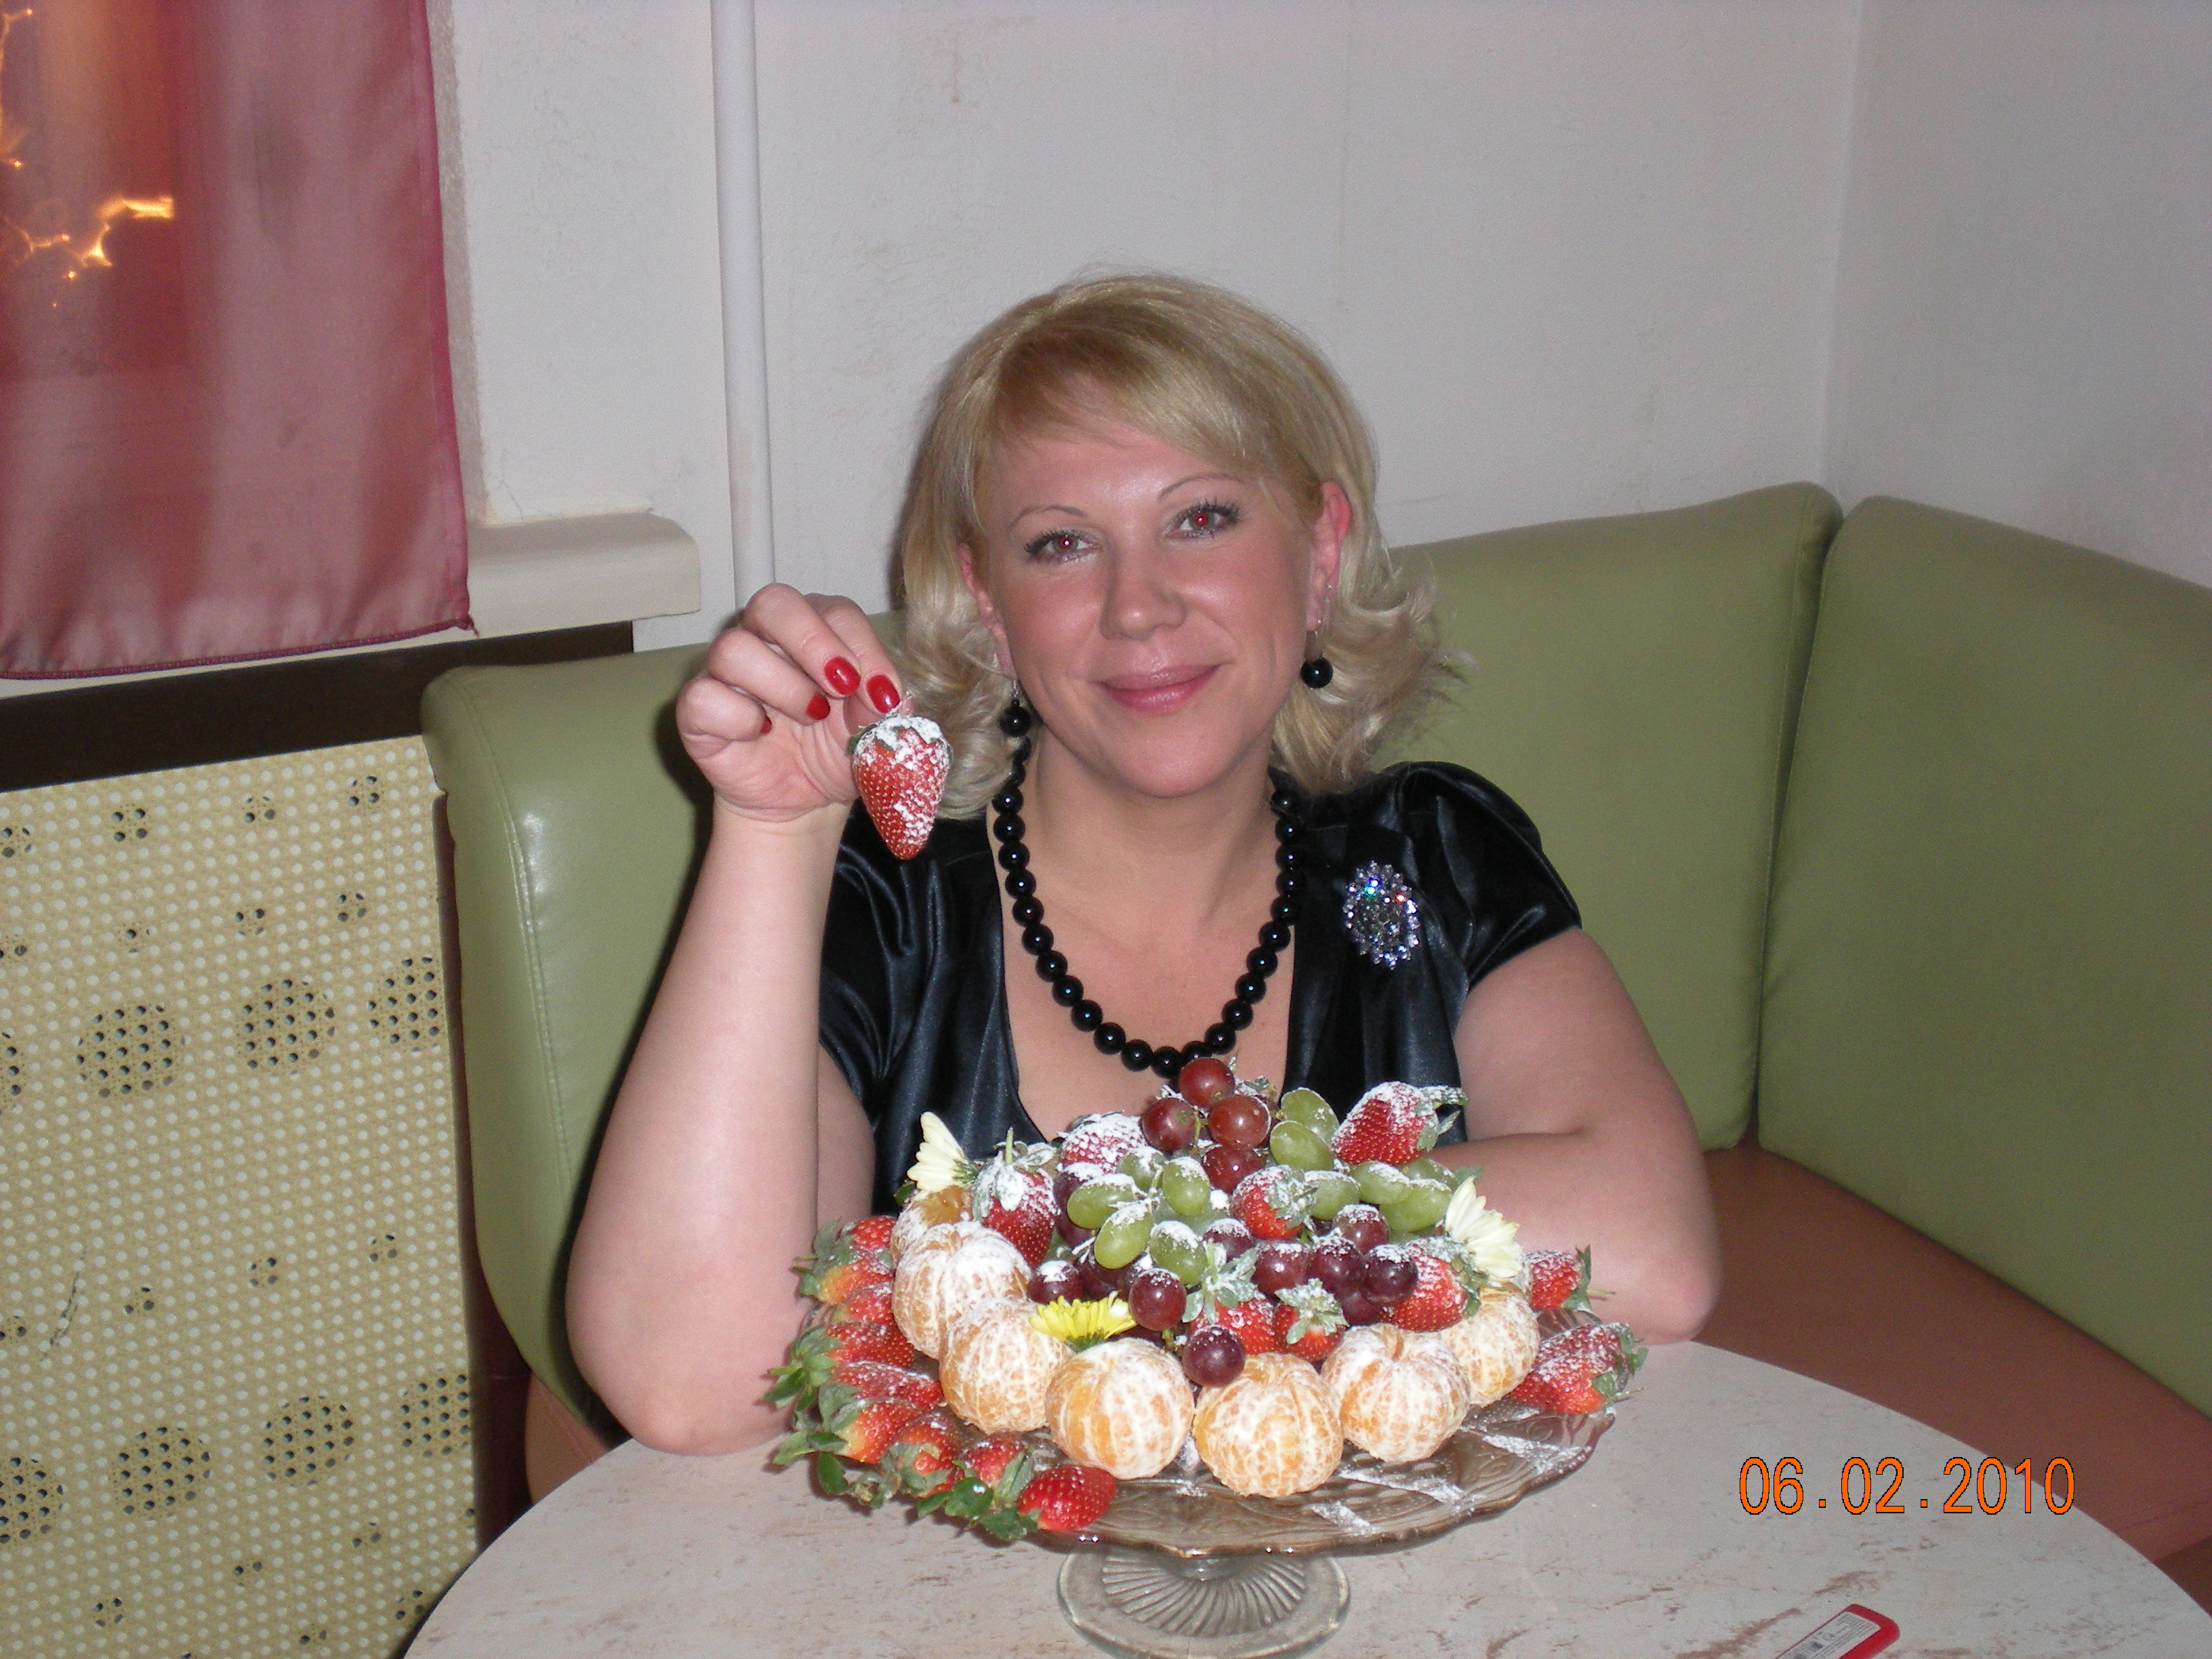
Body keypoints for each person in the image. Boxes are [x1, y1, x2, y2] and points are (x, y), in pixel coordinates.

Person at [567, 274, 1720, 1455]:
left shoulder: (1431, 858)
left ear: (1320, 553)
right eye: (1062, 545)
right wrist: (772, 832)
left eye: (1202, 519)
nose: (1137, 607)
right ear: (990, 605)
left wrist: (1130, 1248)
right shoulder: (889, 900)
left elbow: (1652, 1250)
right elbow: (694, 1380)